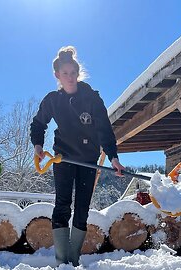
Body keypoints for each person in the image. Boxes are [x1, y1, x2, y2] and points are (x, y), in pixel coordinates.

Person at [30, 46, 125, 266]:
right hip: (63, 157)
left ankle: (73, 261)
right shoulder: (53, 100)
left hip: (88, 159)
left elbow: (104, 129)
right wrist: (37, 145)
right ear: (57, 76)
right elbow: (38, 123)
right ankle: (62, 261)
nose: (70, 77)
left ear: (78, 73)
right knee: (62, 204)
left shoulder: (91, 98)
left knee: (82, 207)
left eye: (73, 73)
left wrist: (113, 157)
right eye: (65, 74)